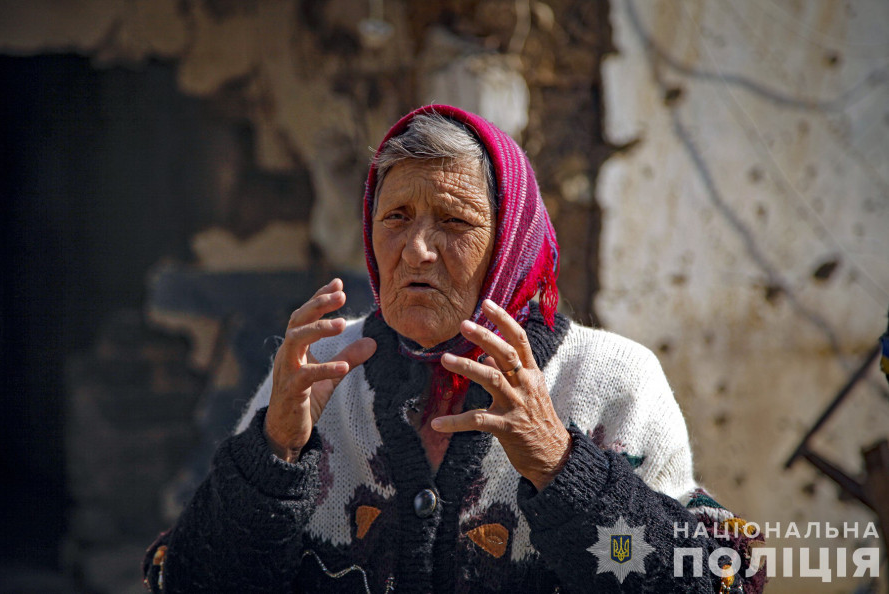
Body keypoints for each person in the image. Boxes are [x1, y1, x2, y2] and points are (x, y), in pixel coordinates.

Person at [143, 105, 766, 593]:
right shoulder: (323, 369)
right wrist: (271, 455)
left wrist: (559, 465)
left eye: (455, 221)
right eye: (396, 218)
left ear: (511, 246)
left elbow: (710, 582)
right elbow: (194, 579)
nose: (416, 249)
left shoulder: (608, 381)